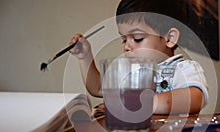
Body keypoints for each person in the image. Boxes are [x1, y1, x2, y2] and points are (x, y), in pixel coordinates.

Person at [70, 0, 209, 115]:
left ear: (169, 38)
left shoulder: (184, 69)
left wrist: (142, 104)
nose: (126, 47)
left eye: (137, 38)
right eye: (124, 40)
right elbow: (98, 88)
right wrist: (85, 57)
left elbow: (195, 98)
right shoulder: (131, 73)